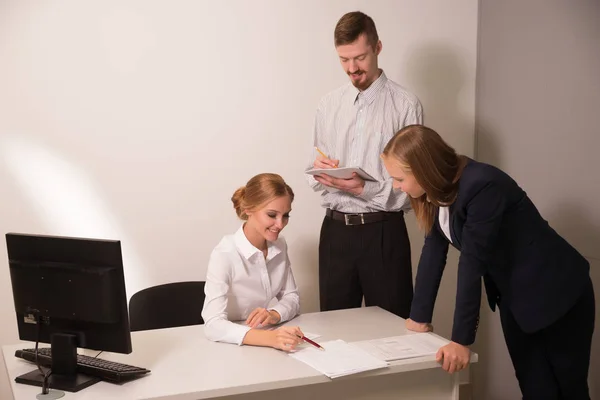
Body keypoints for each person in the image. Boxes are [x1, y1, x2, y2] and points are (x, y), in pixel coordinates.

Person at [381, 124, 595, 398]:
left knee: (570, 390)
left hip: (558, 291)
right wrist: (418, 318)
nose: (396, 187)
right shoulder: (436, 192)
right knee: (536, 390)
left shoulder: (483, 184)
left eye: (399, 179)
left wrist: (461, 341)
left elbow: (472, 261)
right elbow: (433, 251)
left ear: (423, 170)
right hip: (516, 297)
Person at [305, 11, 423, 319]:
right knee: (335, 334)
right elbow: (316, 175)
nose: (352, 68)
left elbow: (415, 187)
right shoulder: (328, 105)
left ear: (378, 48)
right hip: (334, 234)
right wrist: (319, 169)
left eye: (360, 57)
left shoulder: (406, 105)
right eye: (344, 60)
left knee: (394, 333)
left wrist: (364, 188)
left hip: (383, 233)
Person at [202, 173, 304, 351]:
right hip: (228, 346)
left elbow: (292, 297)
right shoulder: (225, 254)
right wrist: (270, 338)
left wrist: (274, 314)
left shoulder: (280, 246)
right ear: (248, 209)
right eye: (272, 215)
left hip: (262, 341)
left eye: (286, 215)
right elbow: (213, 324)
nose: (280, 224)